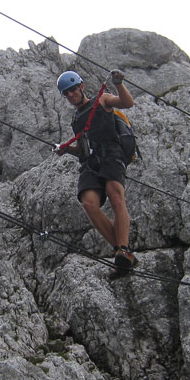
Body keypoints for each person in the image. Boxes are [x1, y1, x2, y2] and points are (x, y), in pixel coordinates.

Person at [54, 68, 137, 276]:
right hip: (91, 161)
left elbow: (127, 103)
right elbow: (83, 149)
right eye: (67, 93)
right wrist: (66, 150)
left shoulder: (102, 100)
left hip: (112, 153)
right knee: (89, 203)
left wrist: (119, 84)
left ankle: (123, 250)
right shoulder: (76, 119)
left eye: (73, 89)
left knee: (114, 194)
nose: (71, 95)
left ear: (81, 86)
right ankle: (122, 253)